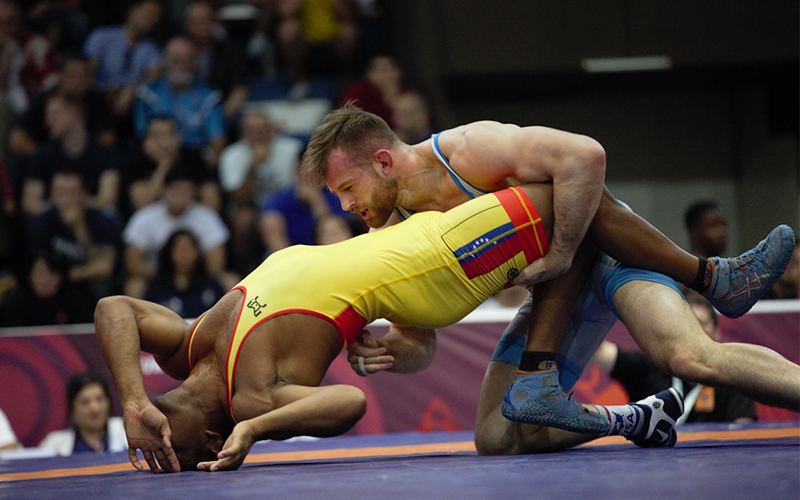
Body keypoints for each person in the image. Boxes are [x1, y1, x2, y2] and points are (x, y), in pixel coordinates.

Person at [94, 183, 683, 474]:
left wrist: (130, 399)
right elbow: (354, 395)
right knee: (571, 197)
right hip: (417, 270)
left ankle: (702, 282)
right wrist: (258, 430)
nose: (207, 452)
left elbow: (113, 308)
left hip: (409, 255)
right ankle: (701, 285)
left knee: (570, 192)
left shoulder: (189, 348)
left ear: (164, 417)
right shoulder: (252, 401)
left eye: (187, 450)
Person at [301, 105, 798, 448]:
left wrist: (560, 251)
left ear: (383, 161)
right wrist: (386, 352)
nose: (347, 206)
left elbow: (586, 156)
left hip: (606, 256)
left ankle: (714, 278)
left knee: (690, 356)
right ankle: (636, 417)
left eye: (348, 187)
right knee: (495, 438)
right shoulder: (394, 234)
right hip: (553, 293)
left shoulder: (468, 150)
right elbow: (419, 342)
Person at [591, 294, 756, 424]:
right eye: (688, 324)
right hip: (651, 462)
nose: (694, 332)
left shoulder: (732, 379)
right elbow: (597, 350)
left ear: (716, 331)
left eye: (701, 323)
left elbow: (743, 430)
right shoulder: (650, 366)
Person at [123, 166, 229, 298]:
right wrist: (171, 274)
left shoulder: (208, 218)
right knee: (134, 286)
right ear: (164, 190)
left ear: (194, 193)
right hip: (158, 278)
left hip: (197, 278)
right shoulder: (144, 218)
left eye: (187, 190)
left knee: (230, 281)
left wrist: (187, 275)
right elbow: (132, 264)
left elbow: (216, 265)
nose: (181, 195)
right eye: (176, 189)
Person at [218, 110, 303, 272]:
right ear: (242, 132)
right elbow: (238, 198)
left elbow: (305, 184)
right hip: (252, 209)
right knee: (242, 220)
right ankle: (242, 271)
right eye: (252, 130)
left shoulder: (291, 149)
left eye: (263, 129)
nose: (258, 135)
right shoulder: (231, 155)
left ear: (272, 130)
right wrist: (253, 167)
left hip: (287, 206)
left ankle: (296, 267)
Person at [28, 169, 121, 303]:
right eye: (60, 192)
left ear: (84, 194)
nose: (66, 199)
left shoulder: (103, 220)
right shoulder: (42, 221)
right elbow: (38, 264)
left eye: (73, 192)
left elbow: (104, 267)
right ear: (51, 195)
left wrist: (79, 229)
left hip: (88, 287)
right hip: (55, 286)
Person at [21, 93, 120, 217]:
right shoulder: (42, 155)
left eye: (54, 114)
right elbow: (30, 204)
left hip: (92, 224)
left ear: (74, 113)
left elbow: (108, 199)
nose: (47, 121)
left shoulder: (103, 153)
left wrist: (74, 205)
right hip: (55, 222)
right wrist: (63, 207)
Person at [134, 36, 226, 165]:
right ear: (165, 61)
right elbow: (143, 137)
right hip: (156, 158)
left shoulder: (210, 96)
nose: (182, 66)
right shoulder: (147, 94)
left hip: (197, 160)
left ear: (195, 63)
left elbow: (217, 140)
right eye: (176, 60)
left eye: (187, 60)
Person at [8, 55, 116, 158]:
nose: (81, 80)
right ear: (61, 76)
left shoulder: (98, 100)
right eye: (74, 75)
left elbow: (107, 138)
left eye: (86, 74)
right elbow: (17, 140)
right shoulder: (44, 99)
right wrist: (47, 160)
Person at [82, 0, 162, 121]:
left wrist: (132, 89)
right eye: (148, 13)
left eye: (155, 17)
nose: (151, 19)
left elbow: (153, 76)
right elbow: (86, 70)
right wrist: (108, 93)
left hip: (132, 104)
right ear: (132, 11)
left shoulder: (151, 48)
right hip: (99, 98)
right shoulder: (102, 36)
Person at [124, 115, 220, 215]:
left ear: (179, 137)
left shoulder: (194, 158)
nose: (164, 143)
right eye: (157, 137)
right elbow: (142, 205)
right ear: (145, 141)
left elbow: (212, 203)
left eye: (170, 135)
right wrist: (163, 166)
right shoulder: (136, 161)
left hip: (191, 219)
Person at [184, 0, 249, 121]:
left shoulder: (231, 51)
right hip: (182, 119)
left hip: (219, 116)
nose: (197, 28)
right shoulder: (178, 51)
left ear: (213, 22)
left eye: (201, 22)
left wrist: (217, 119)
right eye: (193, 22)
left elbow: (239, 90)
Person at [145, 229, 226, 319]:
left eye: (189, 249)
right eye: (180, 249)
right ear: (169, 253)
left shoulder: (211, 285)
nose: (184, 254)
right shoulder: (156, 287)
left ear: (198, 253)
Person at [39, 372, 127, 455]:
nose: (94, 408)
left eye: (99, 399)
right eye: (85, 402)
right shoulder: (55, 444)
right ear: (72, 409)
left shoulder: (126, 435)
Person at [1, 251, 94, 326]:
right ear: (29, 276)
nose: (45, 280)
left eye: (51, 273)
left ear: (60, 277)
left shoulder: (75, 299)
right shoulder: (17, 301)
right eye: (39, 273)